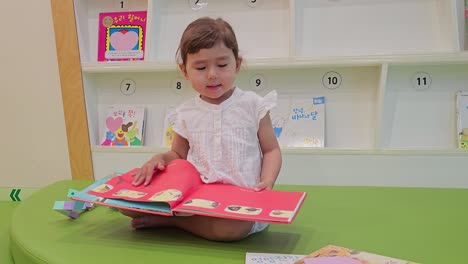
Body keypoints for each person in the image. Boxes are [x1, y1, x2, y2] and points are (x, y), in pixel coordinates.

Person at [120, 17, 282, 242]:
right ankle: (178, 216)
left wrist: (267, 182)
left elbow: (271, 150)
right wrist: (159, 159)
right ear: (184, 70)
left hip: (239, 208)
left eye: (222, 65)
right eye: (200, 67)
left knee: (233, 228)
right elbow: (177, 155)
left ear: (237, 63)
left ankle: (170, 220)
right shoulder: (185, 112)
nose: (212, 74)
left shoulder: (253, 105)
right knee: (125, 203)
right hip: (196, 199)